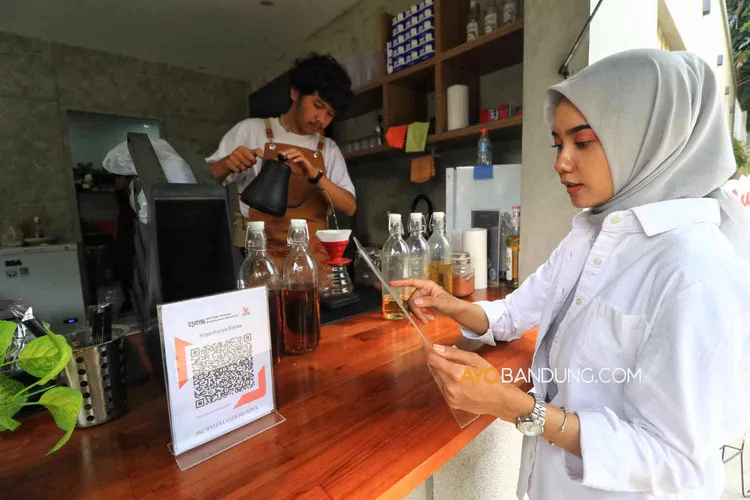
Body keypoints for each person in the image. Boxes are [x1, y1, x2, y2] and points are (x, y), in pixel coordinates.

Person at [393, 49, 750, 499]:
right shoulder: (593, 235)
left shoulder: (697, 269)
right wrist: (450, 305)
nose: (562, 162)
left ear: (652, 139)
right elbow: (513, 313)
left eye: (582, 142)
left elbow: (677, 461)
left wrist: (518, 407)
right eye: (557, 143)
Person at [206, 53, 356, 269]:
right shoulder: (252, 130)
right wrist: (227, 163)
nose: (321, 119)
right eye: (317, 105)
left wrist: (316, 176)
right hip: (263, 259)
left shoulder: (328, 148)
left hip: (315, 263)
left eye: (330, 114)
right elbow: (204, 182)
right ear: (295, 92)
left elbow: (349, 207)